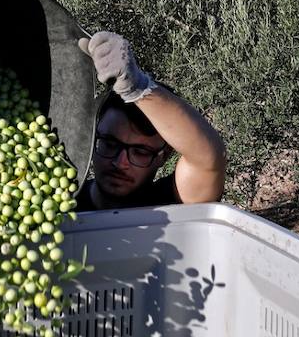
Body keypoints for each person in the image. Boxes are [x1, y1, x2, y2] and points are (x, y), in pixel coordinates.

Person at [75, 31, 226, 211]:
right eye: (109, 144)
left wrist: (137, 88)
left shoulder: (173, 203)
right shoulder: (59, 203)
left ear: (164, 155)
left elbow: (208, 158)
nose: (120, 162)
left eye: (140, 151)